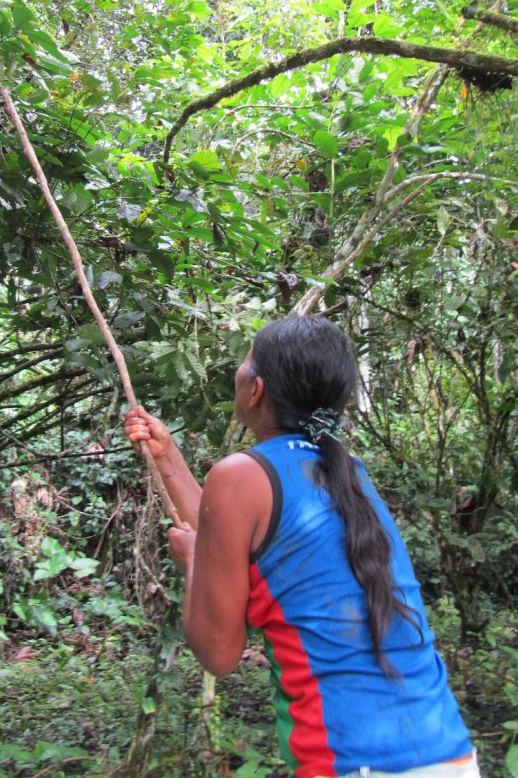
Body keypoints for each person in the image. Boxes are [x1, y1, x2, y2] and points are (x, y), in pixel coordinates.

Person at [124, 316, 480, 778]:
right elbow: (232, 539)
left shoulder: (241, 476)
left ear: (257, 390)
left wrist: (192, 562)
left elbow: (219, 652)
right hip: (448, 756)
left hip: (353, 763)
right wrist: (168, 458)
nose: (239, 368)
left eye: (246, 359)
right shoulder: (346, 469)